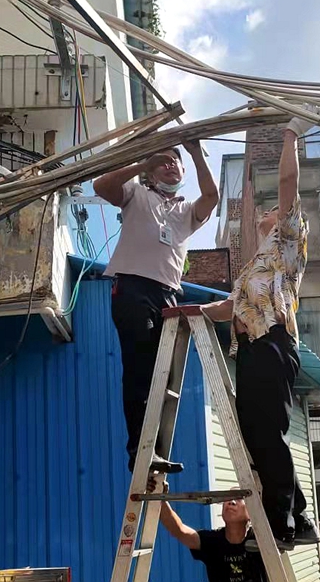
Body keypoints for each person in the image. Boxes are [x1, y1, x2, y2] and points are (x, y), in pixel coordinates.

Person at [200, 110, 320, 551]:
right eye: (267, 210)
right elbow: (230, 308)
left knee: (266, 433)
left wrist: (291, 134)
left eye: (273, 210)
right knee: (256, 435)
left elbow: (288, 186)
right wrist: (192, 310)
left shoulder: (287, 245)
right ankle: (301, 515)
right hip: (250, 349)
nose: (269, 211)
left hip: (272, 345)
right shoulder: (255, 264)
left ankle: (280, 523)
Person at [94, 142, 219, 474]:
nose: (170, 166)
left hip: (167, 294)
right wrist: (141, 161)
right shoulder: (137, 194)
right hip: (133, 287)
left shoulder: (185, 211)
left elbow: (211, 198)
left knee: (163, 377)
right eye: (162, 162)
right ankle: (139, 452)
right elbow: (101, 186)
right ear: (149, 172)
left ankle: (155, 452)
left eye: (175, 163)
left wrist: (193, 152)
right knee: (140, 371)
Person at [151, 477, 266, 582]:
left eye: (239, 498)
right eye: (228, 498)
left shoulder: (263, 540)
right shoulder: (212, 542)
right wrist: (159, 497)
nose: (231, 502)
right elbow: (179, 530)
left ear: (252, 512)